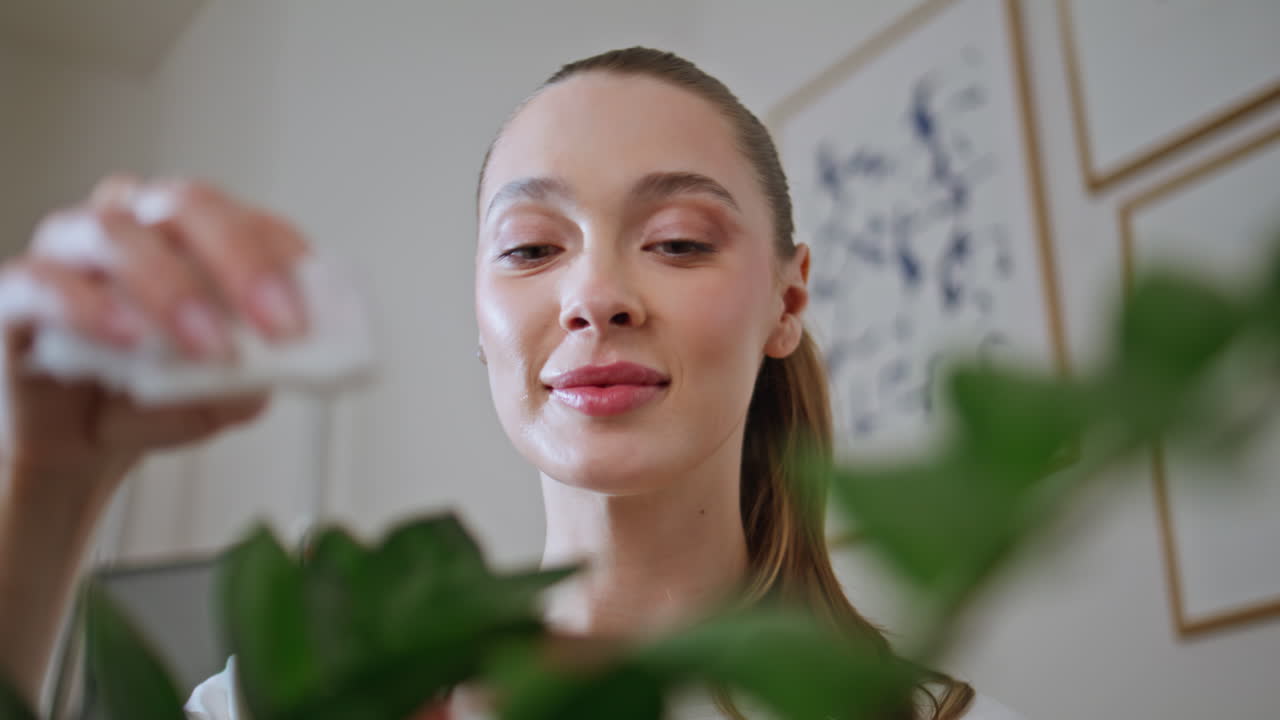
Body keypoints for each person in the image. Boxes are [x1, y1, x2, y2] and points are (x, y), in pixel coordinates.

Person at [0, 48, 1022, 719]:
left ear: (786, 302)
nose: (595, 296)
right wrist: (47, 475)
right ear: (477, 316)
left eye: (674, 241)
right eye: (532, 250)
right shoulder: (305, 699)